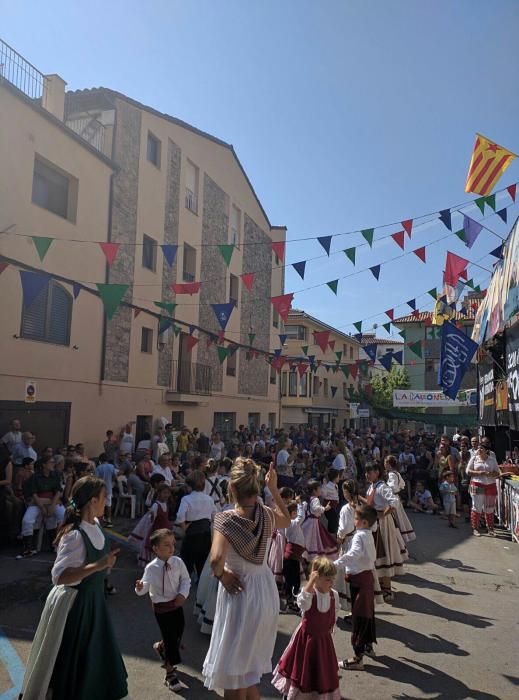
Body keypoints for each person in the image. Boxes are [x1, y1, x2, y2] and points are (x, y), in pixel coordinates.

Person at [18, 476, 127, 700]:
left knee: (95, 656)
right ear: (92, 501)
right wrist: (98, 565)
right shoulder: (75, 535)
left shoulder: (96, 525)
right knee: (73, 659)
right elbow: (60, 576)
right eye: (104, 497)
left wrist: (103, 566)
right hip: (76, 605)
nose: (106, 502)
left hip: (94, 602)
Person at [202, 459, 291, 696]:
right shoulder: (267, 515)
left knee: (233, 673)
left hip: (240, 593)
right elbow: (288, 520)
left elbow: (215, 559)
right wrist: (273, 489)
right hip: (265, 590)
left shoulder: (226, 519)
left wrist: (222, 576)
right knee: (248, 674)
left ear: (232, 488)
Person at [272, 557, 340, 699]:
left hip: (323, 641)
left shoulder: (334, 595)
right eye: (328, 579)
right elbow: (302, 602)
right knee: (302, 670)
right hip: (306, 641)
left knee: (321, 673)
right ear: (317, 577)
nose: (331, 583)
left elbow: (334, 615)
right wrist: (310, 583)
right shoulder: (310, 593)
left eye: (333, 579)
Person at [135, 529, 191, 692]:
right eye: (166, 545)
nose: (171, 548)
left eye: (173, 544)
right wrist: (140, 587)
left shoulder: (178, 563)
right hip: (161, 608)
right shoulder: (151, 568)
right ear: (156, 549)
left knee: (178, 631)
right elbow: (144, 587)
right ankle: (170, 674)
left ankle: (161, 647)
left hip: (176, 604)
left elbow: (185, 580)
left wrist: (183, 594)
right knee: (171, 638)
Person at [335, 504, 378, 671]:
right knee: (367, 615)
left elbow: (354, 554)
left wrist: (335, 565)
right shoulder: (367, 534)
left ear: (364, 522)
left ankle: (357, 657)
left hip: (360, 581)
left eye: (356, 519)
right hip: (364, 579)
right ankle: (367, 645)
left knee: (359, 617)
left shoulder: (360, 536)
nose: (354, 520)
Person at [364, 463, 408, 601]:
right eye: (366, 472)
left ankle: (387, 589)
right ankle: (380, 586)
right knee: (376, 554)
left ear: (377, 472)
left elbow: (394, 501)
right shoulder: (373, 486)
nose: (367, 475)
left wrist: (383, 514)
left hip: (382, 524)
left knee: (383, 554)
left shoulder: (382, 486)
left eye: (370, 472)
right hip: (373, 523)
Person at [18, 455, 65, 558]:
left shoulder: (56, 474)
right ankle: (28, 548)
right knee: (27, 520)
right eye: (51, 462)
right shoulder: (35, 476)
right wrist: (43, 507)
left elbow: (58, 491)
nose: (53, 464)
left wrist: (52, 505)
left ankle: (57, 544)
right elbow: (33, 494)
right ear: (44, 465)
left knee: (64, 516)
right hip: (38, 502)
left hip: (53, 501)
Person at [176, 470, 216, 577]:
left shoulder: (186, 499)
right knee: (202, 562)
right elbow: (215, 516)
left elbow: (180, 517)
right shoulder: (209, 499)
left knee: (187, 561)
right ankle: (200, 584)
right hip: (205, 534)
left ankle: (185, 584)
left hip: (192, 533)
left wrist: (184, 528)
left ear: (189, 486)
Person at [129, 482, 172, 567]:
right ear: (159, 493)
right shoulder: (156, 506)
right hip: (157, 534)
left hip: (164, 533)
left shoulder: (165, 504)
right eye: (164, 493)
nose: (166, 495)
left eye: (168, 493)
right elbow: (149, 522)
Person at [466, 444, 500, 536]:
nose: (479, 449)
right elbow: (468, 471)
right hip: (477, 485)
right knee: (477, 507)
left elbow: (497, 473)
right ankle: (475, 528)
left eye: (482, 448)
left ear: (486, 450)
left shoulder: (492, 460)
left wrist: (491, 474)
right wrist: (479, 473)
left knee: (490, 508)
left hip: (490, 486)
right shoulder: (474, 458)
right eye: (478, 448)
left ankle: (490, 528)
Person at [301, 480, 339, 562]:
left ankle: (308, 558)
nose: (320, 490)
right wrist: (325, 508)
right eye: (319, 488)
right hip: (313, 524)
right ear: (314, 490)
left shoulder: (307, 500)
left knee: (308, 541)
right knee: (315, 540)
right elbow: (316, 509)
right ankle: (313, 558)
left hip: (307, 523)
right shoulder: (315, 499)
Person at [281, 499, 306, 611]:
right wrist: (300, 505)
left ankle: (291, 601)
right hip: (291, 557)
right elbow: (301, 517)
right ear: (290, 514)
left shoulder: (292, 523)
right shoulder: (291, 523)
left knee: (294, 580)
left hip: (294, 557)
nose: (296, 515)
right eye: (294, 513)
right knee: (293, 581)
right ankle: (290, 602)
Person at [385, 456, 416, 543]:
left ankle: (398, 539)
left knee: (396, 519)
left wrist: (386, 489)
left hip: (393, 498)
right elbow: (402, 485)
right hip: (397, 497)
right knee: (399, 518)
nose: (384, 465)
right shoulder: (397, 473)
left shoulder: (391, 474)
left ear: (388, 464)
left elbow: (392, 487)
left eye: (385, 463)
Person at [96, 454, 117, 528]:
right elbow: (114, 476)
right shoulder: (111, 466)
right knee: (109, 504)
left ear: (100, 460)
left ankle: (100, 520)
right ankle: (109, 520)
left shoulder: (98, 467)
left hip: (100, 488)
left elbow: (96, 478)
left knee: (101, 504)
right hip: (109, 488)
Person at [321, 468, 340, 534]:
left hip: (334, 505)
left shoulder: (336, 485)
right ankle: (330, 535)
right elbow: (323, 495)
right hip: (329, 506)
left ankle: (330, 535)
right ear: (335, 478)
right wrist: (324, 485)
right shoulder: (327, 486)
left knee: (334, 521)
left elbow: (336, 495)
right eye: (338, 476)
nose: (339, 478)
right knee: (332, 522)